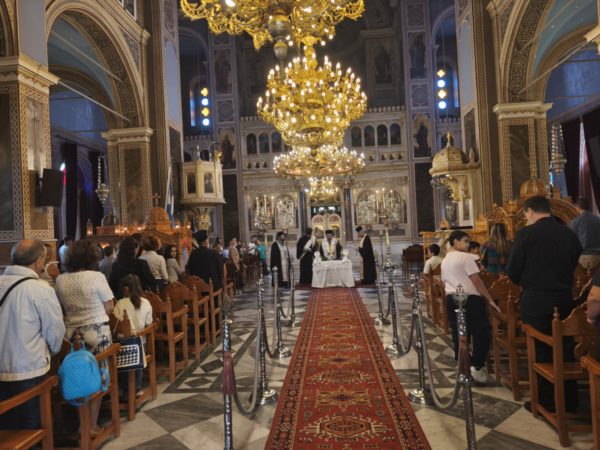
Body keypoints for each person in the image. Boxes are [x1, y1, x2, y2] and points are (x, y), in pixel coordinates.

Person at [506, 195, 582, 413]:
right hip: (564, 298)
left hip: (536, 300)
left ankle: (546, 402)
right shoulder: (568, 233)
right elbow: (575, 258)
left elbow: (512, 270)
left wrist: (529, 282)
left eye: (526, 215)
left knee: (541, 349)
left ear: (529, 211)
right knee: (566, 346)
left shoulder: (526, 234)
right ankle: (570, 400)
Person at [0, 240, 65, 431]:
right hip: (29, 368)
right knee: (31, 425)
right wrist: (51, 353)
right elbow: (54, 331)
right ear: (38, 261)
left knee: (6, 428)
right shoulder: (40, 289)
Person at [55, 240, 116, 436]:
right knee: (97, 376)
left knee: (78, 375)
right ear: (92, 257)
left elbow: (60, 306)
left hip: (72, 334)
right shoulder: (96, 277)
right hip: (96, 331)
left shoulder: (61, 279)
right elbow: (109, 306)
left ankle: (82, 422)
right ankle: (91, 425)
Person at [441, 230, 500, 384]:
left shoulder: (445, 259)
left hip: (451, 297)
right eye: (465, 241)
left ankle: (463, 365)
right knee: (482, 331)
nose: (468, 244)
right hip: (470, 297)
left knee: (459, 333)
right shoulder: (465, 257)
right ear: (455, 242)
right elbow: (476, 280)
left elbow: (444, 282)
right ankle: (477, 365)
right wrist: (489, 299)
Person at [113, 274, 153, 397]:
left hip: (123, 343)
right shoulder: (145, 302)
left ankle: (124, 388)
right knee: (138, 348)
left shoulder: (120, 303)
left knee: (121, 353)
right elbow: (149, 323)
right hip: (141, 342)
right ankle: (137, 387)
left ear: (126, 289)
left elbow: (115, 324)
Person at [570, 197, 600, 269]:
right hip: (598, 257)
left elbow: (571, 241)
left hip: (582, 258)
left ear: (578, 207)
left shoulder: (575, 222)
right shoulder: (598, 219)